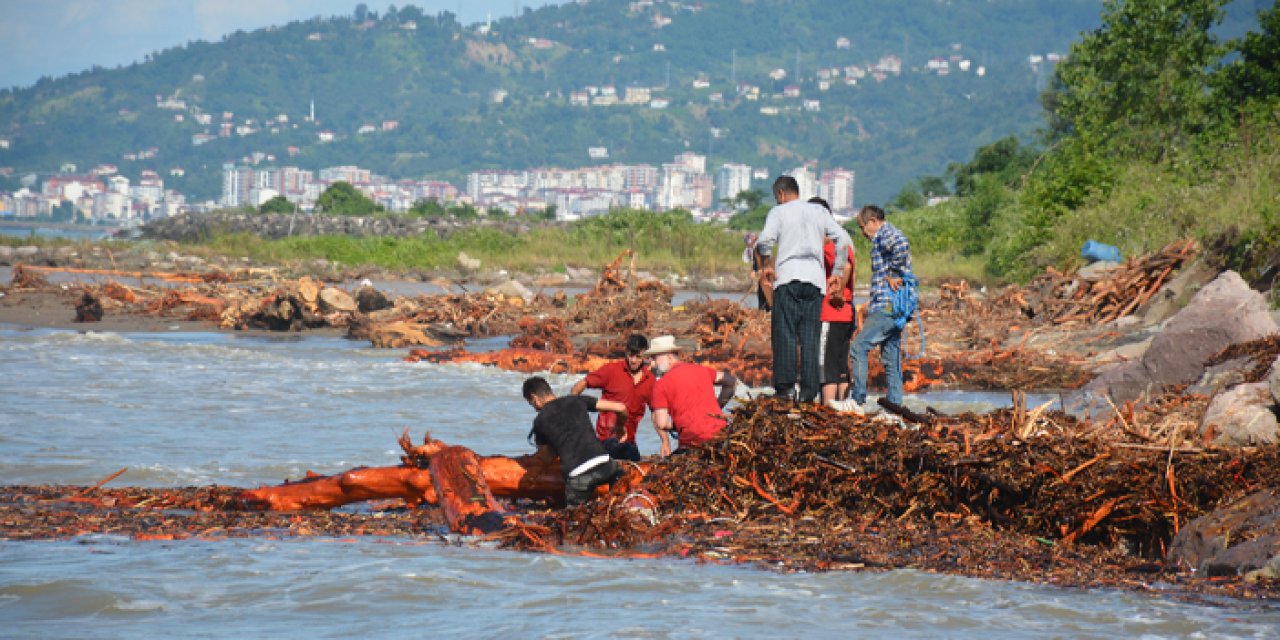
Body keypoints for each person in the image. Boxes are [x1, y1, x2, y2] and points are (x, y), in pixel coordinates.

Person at [757, 176, 853, 403]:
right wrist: (837, 273)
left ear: (781, 194)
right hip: (815, 281)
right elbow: (843, 240)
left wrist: (766, 266)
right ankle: (809, 392)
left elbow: (764, 241)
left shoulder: (778, 212)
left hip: (787, 278)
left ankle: (786, 389)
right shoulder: (818, 212)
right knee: (811, 336)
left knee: (785, 334)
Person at [849, 204, 915, 412]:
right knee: (890, 356)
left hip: (888, 306)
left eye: (862, 227)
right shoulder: (881, 237)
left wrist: (895, 273)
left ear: (873, 221)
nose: (862, 232)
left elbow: (902, 244)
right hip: (892, 305)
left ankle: (857, 400)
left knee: (858, 347)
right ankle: (895, 406)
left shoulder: (886, 234)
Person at [522, 376, 626, 506]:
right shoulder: (576, 400)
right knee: (621, 480)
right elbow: (621, 408)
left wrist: (534, 472)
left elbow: (547, 456)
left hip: (578, 475)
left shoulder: (540, 421)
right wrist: (621, 428)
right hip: (604, 464)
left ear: (535, 398)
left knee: (574, 522)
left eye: (531, 404)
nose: (535, 408)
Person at [644, 335, 738, 456]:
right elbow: (731, 382)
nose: (652, 363)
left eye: (654, 358)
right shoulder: (701, 370)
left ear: (669, 357)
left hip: (692, 441)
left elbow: (661, 423)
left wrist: (678, 423)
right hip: (722, 435)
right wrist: (718, 407)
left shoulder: (660, 385)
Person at [569, 334, 654, 462]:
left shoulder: (650, 380)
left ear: (645, 356)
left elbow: (656, 411)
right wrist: (572, 410)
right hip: (606, 440)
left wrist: (665, 441)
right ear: (626, 353)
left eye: (638, 356)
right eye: (630, 355)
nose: (634, 360)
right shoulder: (612, 370)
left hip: (629, 441)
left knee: (634, 460)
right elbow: (583, 383)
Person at [808, 197, 858, 411]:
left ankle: (828, 409)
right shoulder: (845, 242)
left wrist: (836, 291)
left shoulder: (831, 245)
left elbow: (845, 268)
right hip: (846, 312)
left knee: (826, 366)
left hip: (831, 312)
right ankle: (842, 407)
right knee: (840, 367)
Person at [742, 232, 772, 311]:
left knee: (765, 294)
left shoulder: (760, 247)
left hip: (765, 274)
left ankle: (766, 311)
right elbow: (755, 262)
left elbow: (764, 261)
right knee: (761, 294)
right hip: (761, 273)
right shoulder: (754, 248)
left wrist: (757, 271)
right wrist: (755, 271)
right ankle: (763, 311)